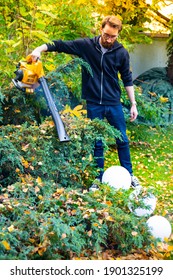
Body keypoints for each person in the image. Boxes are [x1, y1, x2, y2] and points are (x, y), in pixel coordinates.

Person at [31, 15, 141, 189]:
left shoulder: (121, 52)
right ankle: (98, 178)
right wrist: (39, 49)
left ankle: (129, 175)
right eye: (106, 35)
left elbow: (127, 78)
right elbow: (60, 45)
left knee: (122, 139)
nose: (109, 39)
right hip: (94, 103)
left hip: (113, 103)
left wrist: (133, 103)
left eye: (113, 36)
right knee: (96, 141)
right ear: (101, 29)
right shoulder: (86, 46)